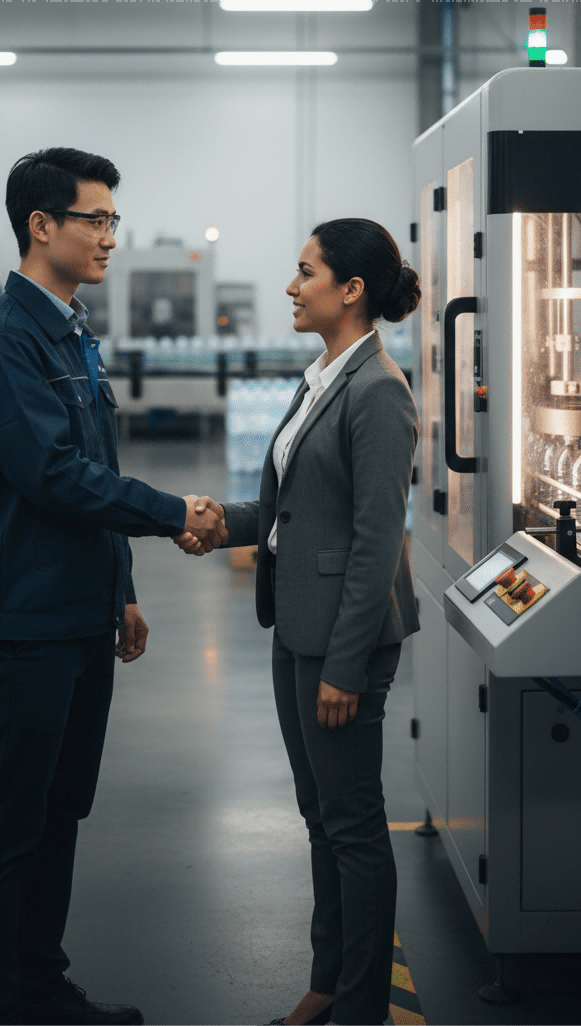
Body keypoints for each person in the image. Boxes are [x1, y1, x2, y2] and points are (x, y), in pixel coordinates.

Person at [0, 147, 227, 1026]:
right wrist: (174, 509)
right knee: (10, 823)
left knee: (60, 811)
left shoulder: (68, 330)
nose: (112, 236)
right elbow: (53, 476)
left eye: (113, 219)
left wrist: (123, 588)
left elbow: (93, 465)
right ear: (42, 225)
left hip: (76, 607)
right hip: (23, 616)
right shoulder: (2, 343)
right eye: (95, 219)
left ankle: (40, 987)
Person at [176, 218, 421, 1026]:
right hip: (297, 630)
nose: (291, 285)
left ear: (350, 290)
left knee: (352, 821)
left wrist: (347, 667)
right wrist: (221, 523)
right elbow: (298, 512)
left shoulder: (379, 391)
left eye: (305, 271)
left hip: (341, 642)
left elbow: (378, 541)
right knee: (322, 814)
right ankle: (329, 979)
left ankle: (361, 1005)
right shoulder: (322, 376)